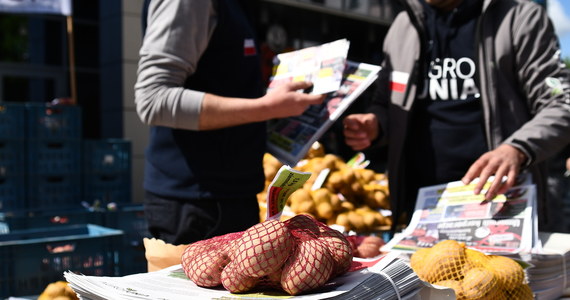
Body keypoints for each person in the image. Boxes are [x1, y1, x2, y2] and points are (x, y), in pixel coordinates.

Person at [342, 0, 570, 232]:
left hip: (498, 205)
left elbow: (561, 102)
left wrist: (518, 149)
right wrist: (375, 124)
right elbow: (386, 102)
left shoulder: (519, 17)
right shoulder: (404, 25)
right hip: (424, 211)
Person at [134, 0, 325, 245]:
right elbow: (153, 100)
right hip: (199, 206)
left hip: (225, 197)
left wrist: (273, 101)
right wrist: (267, 107)